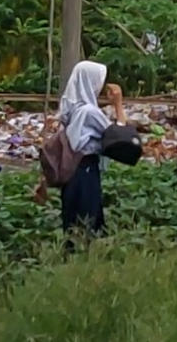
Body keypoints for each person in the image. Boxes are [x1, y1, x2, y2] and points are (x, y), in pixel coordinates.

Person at [57, 60, 127, 241]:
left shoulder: (69, 109)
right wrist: (118, 105)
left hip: (70, 174)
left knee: (72, 222)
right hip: (86, 169)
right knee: (89, 221)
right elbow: (119, 136)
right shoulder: (89, 112)